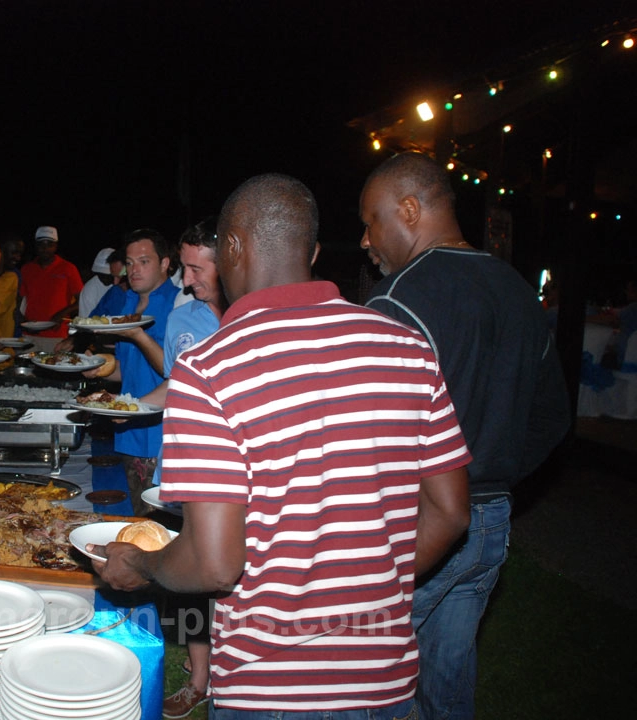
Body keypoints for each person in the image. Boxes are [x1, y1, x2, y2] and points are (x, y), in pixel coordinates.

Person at [91, 173, 473, 719]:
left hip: (269, 692)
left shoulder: (210, 370)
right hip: (387, 686)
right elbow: (451, 510)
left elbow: (215, 563)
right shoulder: (407, 347)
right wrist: (366, 589)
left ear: (232, 249)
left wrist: (145, 566)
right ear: (312, 251)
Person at [359, 152, 570, 720]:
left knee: (366, 680)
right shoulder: (519, 291)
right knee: (445, 684)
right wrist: (492, 472)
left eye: (371, 220)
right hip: (492, 524)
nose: (365, 239)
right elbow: (553, 418)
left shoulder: (396, 302)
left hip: (421, 525)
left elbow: (369, 437)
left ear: (409, 208)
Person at [138, 219, 227, 718]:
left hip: (239, 477)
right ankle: (199, 678)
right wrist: (127, 407)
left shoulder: (250, 316)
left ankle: (239, 672)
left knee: (232, 578)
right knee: (188, 576)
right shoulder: (180, 319)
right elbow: (175, 388)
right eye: (185, 265)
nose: (186, 279)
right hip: (183, 468)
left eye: (196, 267)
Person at [78, 228, 180, 515]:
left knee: (164, 527)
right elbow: (127, 370)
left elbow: (176, 373)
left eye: (144, 261)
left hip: (163, 438)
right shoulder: (128, 304)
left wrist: (138, 335)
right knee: (138, 517)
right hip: (128, 433)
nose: (134, 270)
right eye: (130, 263)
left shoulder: (178, 305)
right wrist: (97, 369)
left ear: (164, 263)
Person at [19, 225, 83, 338]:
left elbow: (82, 300)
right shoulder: (26, 269)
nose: (45, 248)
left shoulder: (68, 268)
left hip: (57, 334)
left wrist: (62, 313)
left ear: (56, 246)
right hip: (29, 335)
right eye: (41, 244)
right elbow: (20, 299)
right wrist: (23, 321)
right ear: (35, 246)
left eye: (50, 244)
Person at [78, 247, 118, 319]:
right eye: (101, 275)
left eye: (108, 276)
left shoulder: (127, 285)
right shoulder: (89, 289)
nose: (104, 279)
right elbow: (86, 321)